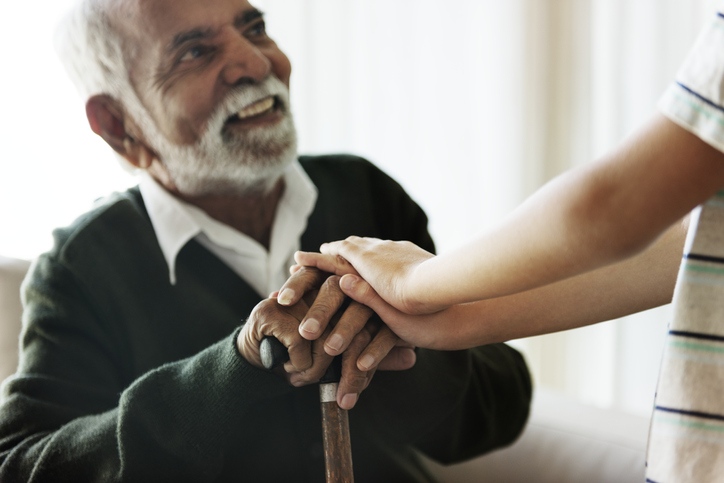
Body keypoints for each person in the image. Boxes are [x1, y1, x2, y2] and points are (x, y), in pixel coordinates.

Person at [0, 0, 533, 481]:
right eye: (195, 52)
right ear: (118, 124)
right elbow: (23, 466)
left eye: (254, 27)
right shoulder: (82, 268)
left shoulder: (363, 191)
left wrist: (404, 339)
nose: (257, 64)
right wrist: (237, 365)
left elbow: (500, 412)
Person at [290, 8, 724, 482]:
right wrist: (448, 319)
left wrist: (417, 281)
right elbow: (689, 245)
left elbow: (613, 209)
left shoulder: (359, 187)